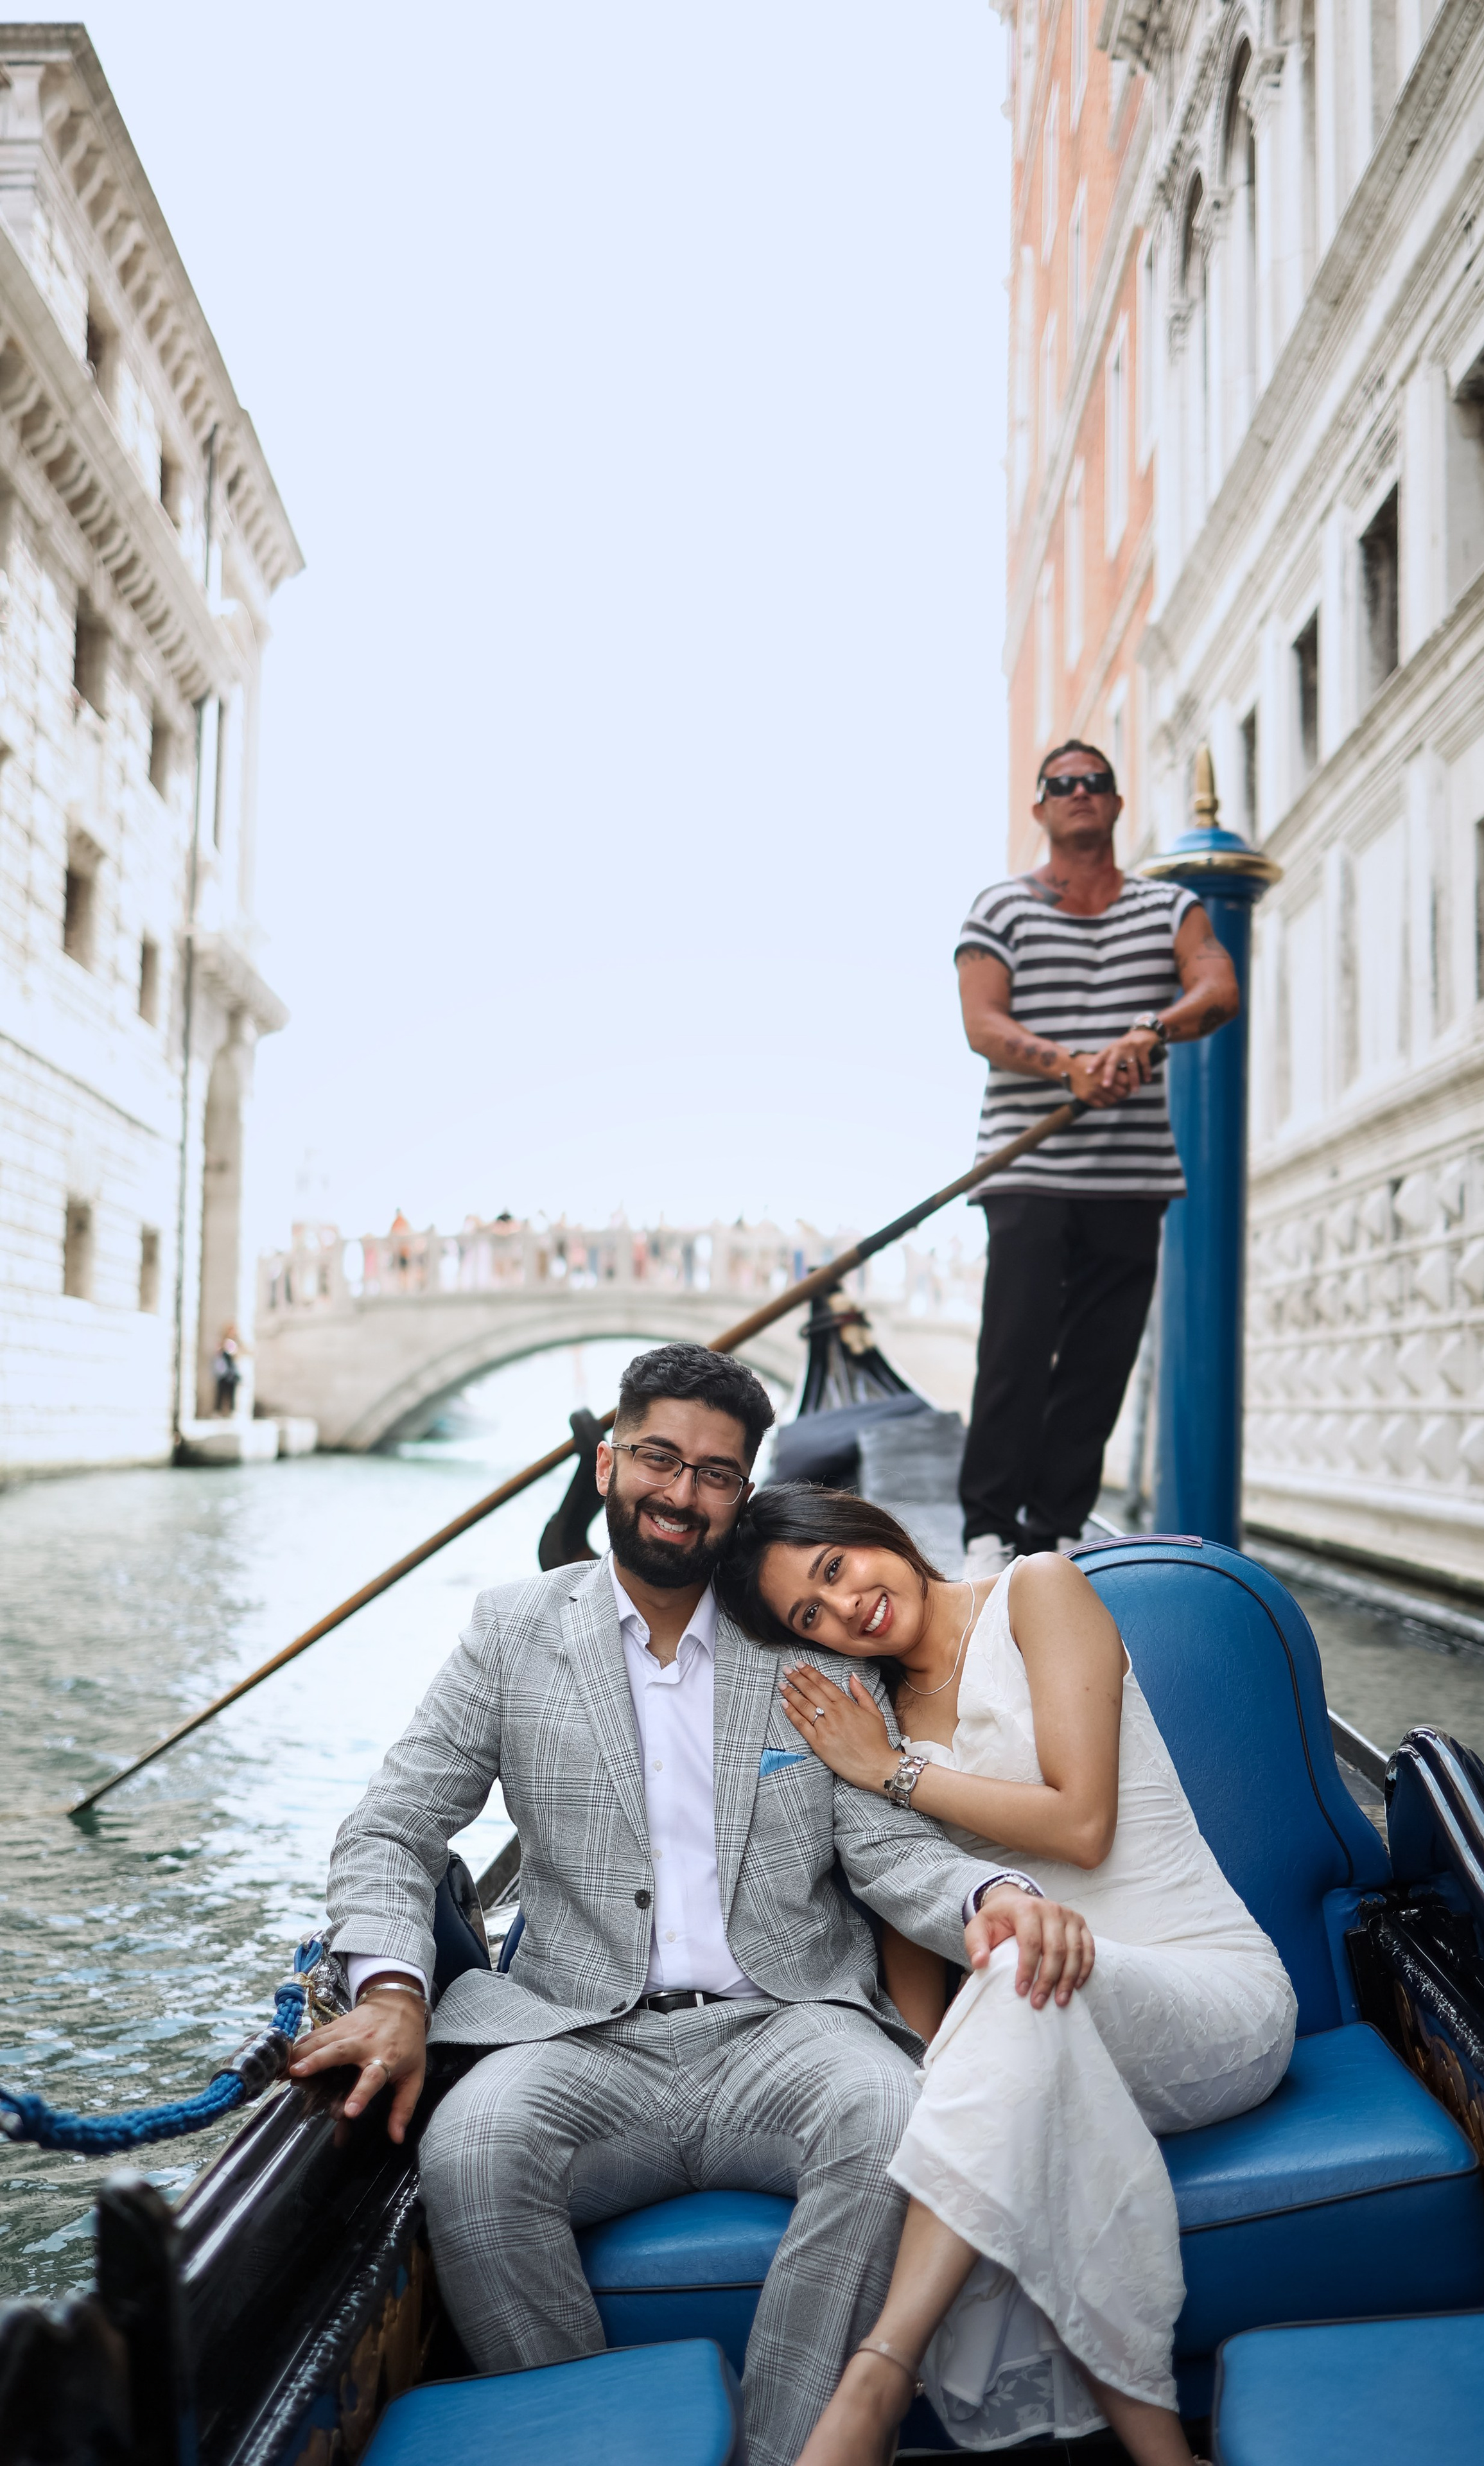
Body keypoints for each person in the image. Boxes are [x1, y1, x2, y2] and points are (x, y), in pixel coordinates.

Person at [291, 1343, 1097, 2466]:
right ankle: (593, 2446)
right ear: (609, 1462)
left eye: (717, 1474)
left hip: (787, 2023)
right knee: (471, 2150)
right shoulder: (511, 1630)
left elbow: (884, 1848)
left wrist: (992, 1890)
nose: (682, 1493)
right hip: (582, 2032)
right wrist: (388, 1986)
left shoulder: (791, 1635)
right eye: (659, 1460)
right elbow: (392, 1828)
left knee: (893, 2114)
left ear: (744, 1495)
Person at [718, 1483, 1296, 2466]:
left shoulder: (1037, 1590)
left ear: (872, 1532)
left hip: (1209, 1996)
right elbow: (919, 1917)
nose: (846, 1604)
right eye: (809, 1616)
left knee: (1020, 1964)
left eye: (835, 1567)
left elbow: (1082, 1822)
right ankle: (1163, 2454)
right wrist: (930, 2080)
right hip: (1043, 2004)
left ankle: (874, 2381)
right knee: (1009, 1990)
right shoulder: (878, 1717)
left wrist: (887, 1774)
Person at [956, 742, 1240, 1575]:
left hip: (1133, 1173)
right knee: (1015, 1348)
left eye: (1095, 784)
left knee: (1098, 1360)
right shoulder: (1000, 909)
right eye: (1061, 786)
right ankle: (985, 1529)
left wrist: (1149, 1030)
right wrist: (1067, 1064)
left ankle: (1054, 1529)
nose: (1079, 794)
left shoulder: (1170, 907)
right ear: (1041, 810)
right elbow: (982, 1024)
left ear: (1117, 806)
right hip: (1027, 1170)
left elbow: (1216, 987)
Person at [213, 1328, 241, 1417]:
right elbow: (218, 1354)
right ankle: (218, 1411)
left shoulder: (235, 1344)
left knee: (231, 1392)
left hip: (231, 1374)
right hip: (223, 1373)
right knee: (221, 1392)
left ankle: (231, 1411)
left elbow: (237, 1356)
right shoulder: (222, 1343)